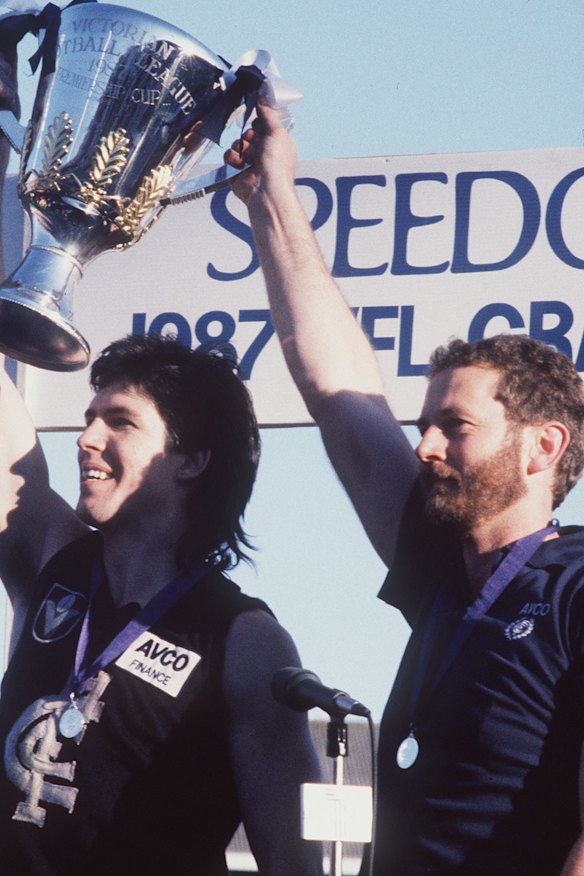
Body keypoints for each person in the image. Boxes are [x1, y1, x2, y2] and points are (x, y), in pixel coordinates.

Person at [225, 103, 584, 875]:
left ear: (543, 446)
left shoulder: (573, 590)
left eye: (456, 426)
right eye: (424, 425)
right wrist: (271, 194)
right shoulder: (441, 569)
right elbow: (338, 392)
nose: (424, 447)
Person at [0, 333, 324, 875]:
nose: (86, 438)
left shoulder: (243, 638)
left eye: (120, 421)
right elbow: (10, 463)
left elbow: (293, 861)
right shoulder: (56, 560)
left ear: (191, 461)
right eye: (90, 418)